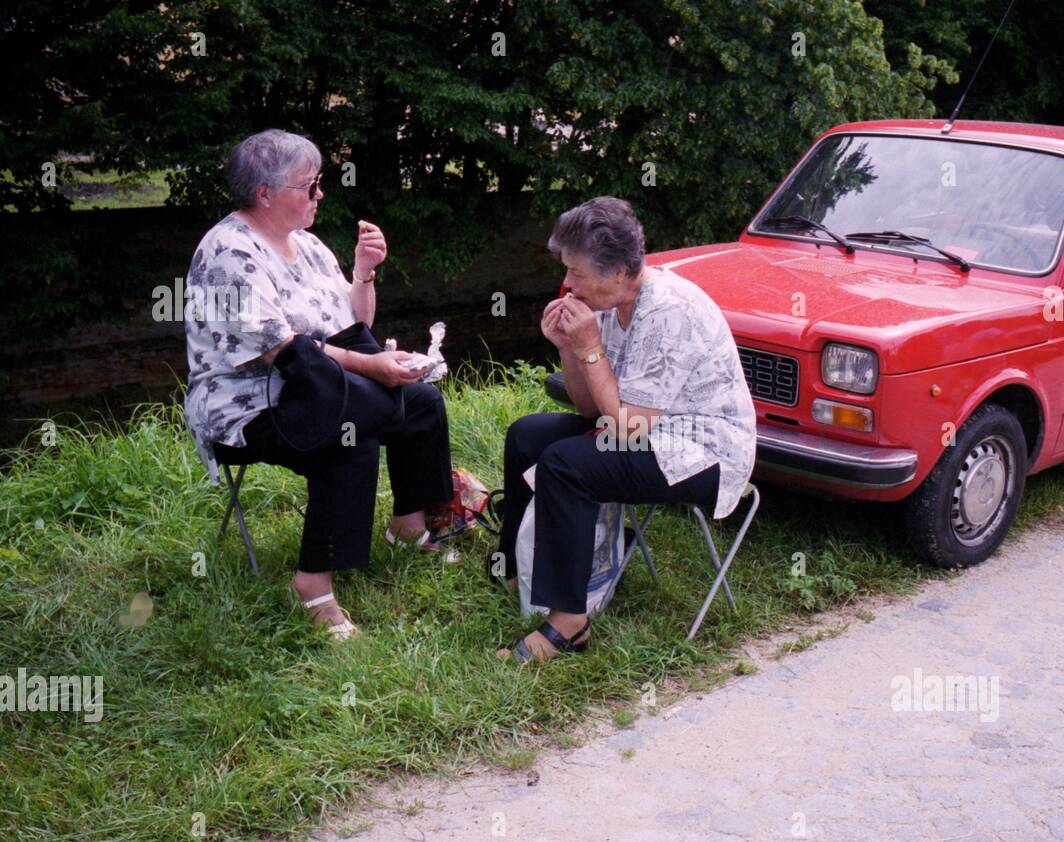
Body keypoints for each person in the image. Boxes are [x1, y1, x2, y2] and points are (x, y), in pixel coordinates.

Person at [184, 129, 453, 639]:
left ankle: (408, 526)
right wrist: (373, 368)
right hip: (247, 404)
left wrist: (365, 274)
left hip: (317, 385)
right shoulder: (227, 253)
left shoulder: (307, 245)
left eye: (320, 182)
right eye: (310, 186)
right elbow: (280, 348)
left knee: (420, 399)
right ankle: (313, 585)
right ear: (265, 194)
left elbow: (355, 327)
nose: (320, 194)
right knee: (350, 436)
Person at [496, 196, 756, 663]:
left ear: (618, 271)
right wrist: (569, 348)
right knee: (527, 436)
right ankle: (518, 571)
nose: (568, 283)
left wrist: (590, 343)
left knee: (566, 464)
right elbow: (592, 408)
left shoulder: (667, 310)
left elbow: (628, 428)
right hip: (646, 429)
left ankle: (569, 624)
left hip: (703, 449)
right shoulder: (606, 300)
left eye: (576, 272)